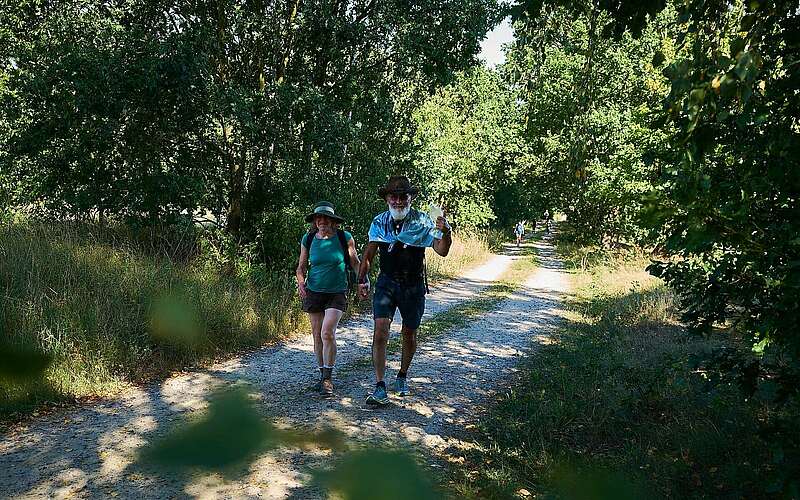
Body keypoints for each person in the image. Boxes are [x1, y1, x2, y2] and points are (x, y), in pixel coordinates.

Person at [357, 176, 452, 405]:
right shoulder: (379, 222)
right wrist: (362, 279)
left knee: (409, 332)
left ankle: (402, 375)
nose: (398, 201)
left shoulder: (423, 221)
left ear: (411, 198)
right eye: (394, 196)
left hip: (413, 286)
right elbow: (369, 254)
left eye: (403, 196)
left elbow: (441, 250)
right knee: (380, 330)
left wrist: (447, 231)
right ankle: (380, 386)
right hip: (387, 283)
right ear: (387, 198)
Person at [296, 201, 360, 397]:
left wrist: (362, 282)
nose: (322, 221)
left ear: (333, 221)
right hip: (314, 290)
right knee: (317, 335)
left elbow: (355, 262)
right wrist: (300, 282)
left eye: (326, 218)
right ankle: (322, 374)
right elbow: (301, 267)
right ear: (315, 221)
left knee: (327, 333)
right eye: (318, 218)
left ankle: (328, 378)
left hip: (337, 291)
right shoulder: (308, 239)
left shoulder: (344, 237)